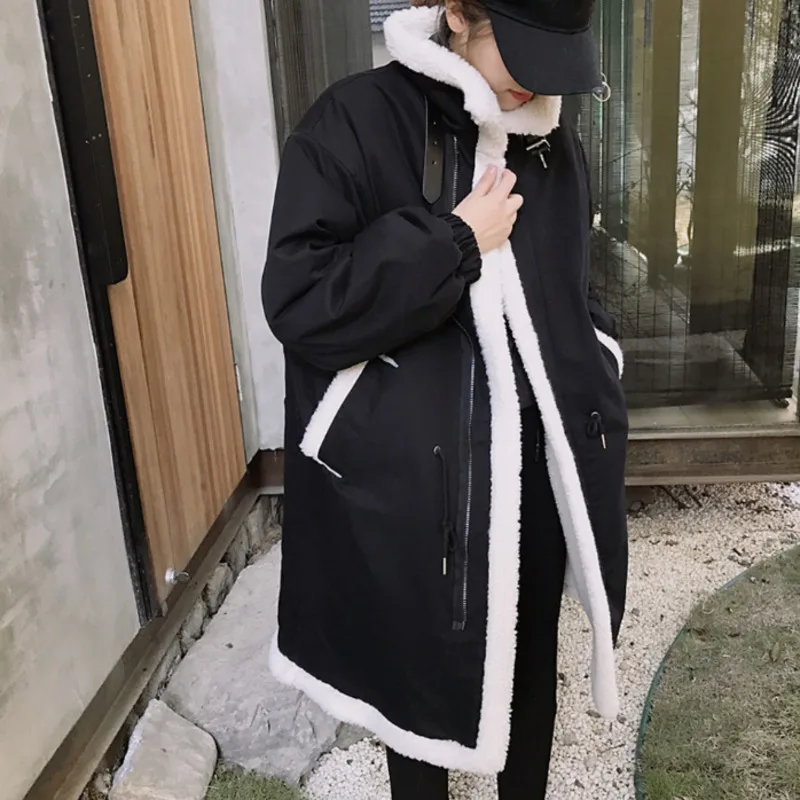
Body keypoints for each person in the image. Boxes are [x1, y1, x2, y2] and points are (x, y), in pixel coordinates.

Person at [262, 1, 629, 797]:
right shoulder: (354, 122)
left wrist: (598, 352)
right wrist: (454, 241)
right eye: (523, 54)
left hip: (535, 463)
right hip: (414, 482)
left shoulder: (547, 134)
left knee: (531, 659)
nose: (536, 84)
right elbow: (300, 300)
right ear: (458, 14)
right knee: (416, 681)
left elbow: (571, 275)